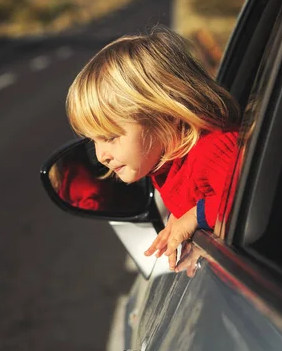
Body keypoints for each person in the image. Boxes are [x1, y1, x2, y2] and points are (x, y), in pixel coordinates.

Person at [65, 24, 241, 271]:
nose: (100, 155)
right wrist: (179, 218)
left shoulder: (212, 149)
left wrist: (194, 217)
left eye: (110, 137)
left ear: (166, 115)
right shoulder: (165, 167)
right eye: (93, 141)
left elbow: (241, 199)